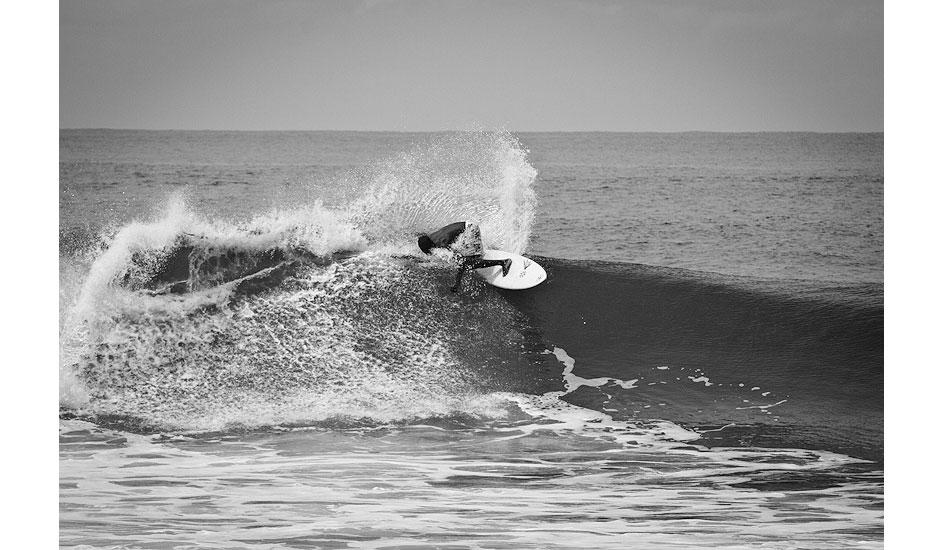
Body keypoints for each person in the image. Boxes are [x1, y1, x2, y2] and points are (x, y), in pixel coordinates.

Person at [418, 221, 511, 292]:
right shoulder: (433, 237)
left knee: (468, 264)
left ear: (430, 246)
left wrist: (457, 283)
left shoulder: (443, 242)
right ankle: (477, 254)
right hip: (467, 227)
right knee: (470, 258)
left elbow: (461, 262)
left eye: (428, 251)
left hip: (470, 230)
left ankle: (503, 262)